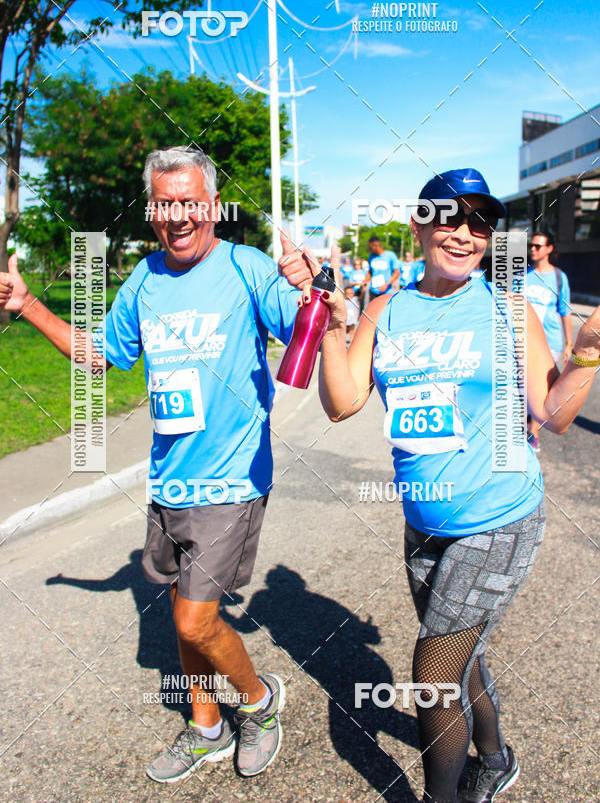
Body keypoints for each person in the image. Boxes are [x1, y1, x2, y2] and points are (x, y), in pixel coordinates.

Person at [279, 167, 600, 803]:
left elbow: (553, 414)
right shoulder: (386, 309)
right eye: (448, 217)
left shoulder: (509, 308)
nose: (464, 233)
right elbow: (342, 403)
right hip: (424, 522)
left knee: (433, 671)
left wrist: (587, 351)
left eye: (479, 223)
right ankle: (496, 758)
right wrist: (334, 320)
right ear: (418, 225)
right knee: (461, 654)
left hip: (501, 515)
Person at [0, 146, 308, 785]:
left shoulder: (246, 267)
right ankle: (206, 727)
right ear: (152, 211)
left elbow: (304, 328)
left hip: (231, 480)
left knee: (195, 618)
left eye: (190, 201)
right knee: (179, 613)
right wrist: (27, 305)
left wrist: (311, 285)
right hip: (169, 478)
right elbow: (98, 358)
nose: (179, 215)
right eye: (165, 203)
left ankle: (258, 701)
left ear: (212, 205)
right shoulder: (144, 279)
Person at [523, 231, 572, 453]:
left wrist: (569, 342)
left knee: (542, 389)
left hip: (550, 342)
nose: (533, 249)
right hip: (524, 340)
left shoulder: (559, 278)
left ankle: (534, 433)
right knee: (521, 385)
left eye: (538, 246)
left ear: (549, 249)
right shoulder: (523, 276)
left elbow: (565, 311)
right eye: (531, 245)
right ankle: (524, 423)